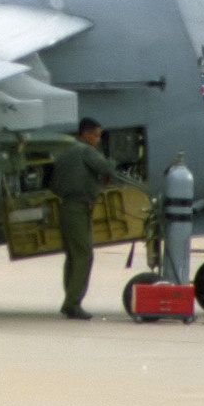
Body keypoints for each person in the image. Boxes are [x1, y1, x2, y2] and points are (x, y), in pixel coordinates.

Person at [51, 117, 136, 320]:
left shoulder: (67, 150)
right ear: (87, 134)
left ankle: (70, 300)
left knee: (73, 256)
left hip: (68, 207)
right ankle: (72, 304)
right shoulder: (86, 151)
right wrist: (115, 160)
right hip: (78, 207)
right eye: (96, 135)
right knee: (83, 256)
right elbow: (106, 168)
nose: (98, 140)